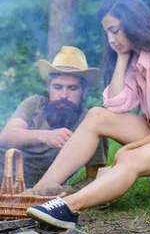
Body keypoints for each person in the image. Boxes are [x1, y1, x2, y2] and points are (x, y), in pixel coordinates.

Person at [26, 0, 150, 229]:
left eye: (116, 30)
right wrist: (122, 56)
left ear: (134, 24)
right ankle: (40, 192)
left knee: (130, 157)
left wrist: (131, 147)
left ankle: (67, 208)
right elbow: (115, 105)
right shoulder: (139, 58)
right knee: (97, 116)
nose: (111, 38)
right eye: (108, 32)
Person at [0, 46, 108, 189]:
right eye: (57, 87)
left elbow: (92, 179)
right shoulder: (34, 103)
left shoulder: (91, 121)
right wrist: (45, 136)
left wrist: (60, 190)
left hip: (35, 187)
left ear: (84, 91)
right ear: (49, 86)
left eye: (72, 88)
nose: (63, 95)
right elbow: (6, 136)